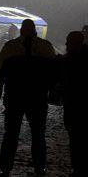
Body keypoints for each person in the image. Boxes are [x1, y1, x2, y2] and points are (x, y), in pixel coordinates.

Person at [0, 19, 56, 176]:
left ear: (21, 31)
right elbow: (54, 74)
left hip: (14, 98)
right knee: (38, 134)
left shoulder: (10, 48)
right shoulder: (45, 48)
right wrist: (53, 94)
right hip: (38, 98)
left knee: (11, 135)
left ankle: (6, 168)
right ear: (35, 31)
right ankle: (39, 167)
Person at [58, 31, 87, 176]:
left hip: (72, 105)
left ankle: (77, 168)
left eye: (68, 42)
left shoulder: (66, 62)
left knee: (75, 139)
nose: (66, 45)